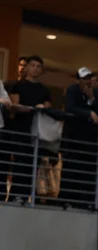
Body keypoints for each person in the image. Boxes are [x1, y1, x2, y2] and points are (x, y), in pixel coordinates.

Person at [8, 56, 51, 200]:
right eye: (33, 65)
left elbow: (48, 107)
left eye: (38, 66)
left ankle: (27, 196)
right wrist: (32, 109)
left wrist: (43, 107)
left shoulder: (44, 90)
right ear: (27, 68)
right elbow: (15, 105)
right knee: (20, 162)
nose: (35, 68)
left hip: (37, 131)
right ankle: (15, 196)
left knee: (33, 165)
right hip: (21, 129)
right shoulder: (19, 85)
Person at [62, 67, 98, 209]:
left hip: (88, 138)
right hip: (73, 136)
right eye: (84, 78)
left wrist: (91, 98)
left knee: (87, 168)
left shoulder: (95, 92)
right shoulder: (73, 90)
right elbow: (70, 107)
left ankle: (85, 200)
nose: (87, 81)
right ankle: (67, 199)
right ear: (78, 80)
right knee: (71, 167)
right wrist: (88, 113)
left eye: (89, 78)